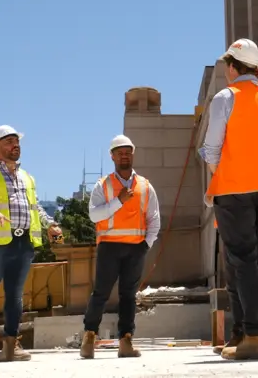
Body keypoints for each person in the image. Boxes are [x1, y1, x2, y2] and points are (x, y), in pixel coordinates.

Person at [200, 38, 258, 361]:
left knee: (242, 260)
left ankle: (254, 335)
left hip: (235, 187)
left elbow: (211, 148)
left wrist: (217, 170)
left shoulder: (226, 97)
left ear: (233, 67)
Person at [0, 125, 61, 363]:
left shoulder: (26, 177)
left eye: (16, 141)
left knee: (16, 295)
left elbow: (35, 206)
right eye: (9, 141)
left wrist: (49, 223)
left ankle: (11, 343)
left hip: (23, 241)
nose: (15, 145)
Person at [79, 135, 161, 360]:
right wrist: (119, 201)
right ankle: (89, 337)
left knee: (128, 295)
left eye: (128, 152)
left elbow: (153, 217)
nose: (124, 155)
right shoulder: (103, 185)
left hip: (135, 248)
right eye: (120, 152)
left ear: (132, 154)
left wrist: (147, 243)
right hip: (109, 247)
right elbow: (94, 214)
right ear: (112, 156)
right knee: (101, 294)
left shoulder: (145, 185)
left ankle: (126, 340)